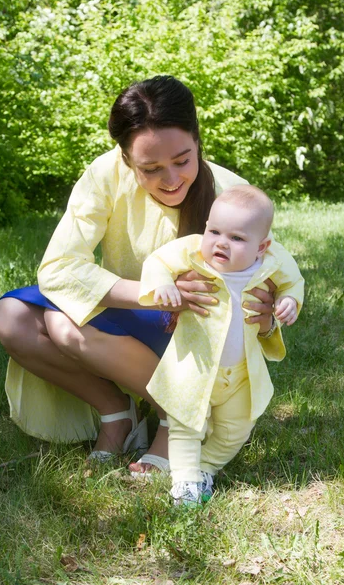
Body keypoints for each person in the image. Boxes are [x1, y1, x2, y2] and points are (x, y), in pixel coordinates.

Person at [0, 75, 292, 474]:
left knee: (66, 328)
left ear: (198, 140)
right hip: (135, 304)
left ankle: (181, 419)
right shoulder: (105, 174)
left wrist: (269, 311)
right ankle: (117, 412)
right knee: (11, 317)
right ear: (126, 160)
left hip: (199, 336)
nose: (170, 180)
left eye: (183, 160)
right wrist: (155, 293)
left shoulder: (232, 196)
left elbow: (268, 288)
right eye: (150, 168)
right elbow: (59, 268)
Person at [138, 185, 304, 503]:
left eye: (237, 238)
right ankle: (185, 483)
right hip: (192, 367)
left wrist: (289, 301)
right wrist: (162, 284)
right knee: (186, 426)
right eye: (214, 231)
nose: (221, 243)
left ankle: (205, 469)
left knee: (237, 429)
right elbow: (157, 262)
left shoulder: (273, 261)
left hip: (241, 373)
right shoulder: (192, 251)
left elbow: (294, 281)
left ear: (262, 246)